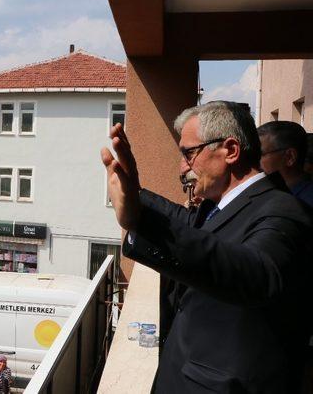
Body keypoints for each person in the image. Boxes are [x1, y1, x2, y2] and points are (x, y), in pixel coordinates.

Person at [100, 101, 312, 393]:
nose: (183, 166)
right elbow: (188, 224)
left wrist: (140, 220)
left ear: (231, 151)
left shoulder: (285, 212)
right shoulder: (224, 205)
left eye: (189, 153)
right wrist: (135, 195)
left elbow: (257, 272)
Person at [257, 120, 313, 207]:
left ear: (290, 157)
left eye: (260, 154)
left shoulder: (305, 205)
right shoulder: (269, 193)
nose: (254, 160)